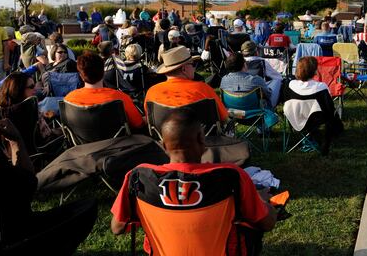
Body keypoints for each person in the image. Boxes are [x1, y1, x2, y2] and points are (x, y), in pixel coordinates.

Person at [110, 110, 276, 254]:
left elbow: (118, 227)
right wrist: (261, 199)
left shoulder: (139, 176)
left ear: (163, 145)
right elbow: (267, 223)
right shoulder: (231, 176)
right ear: (201, 139)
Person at [0, 119, 98, 254]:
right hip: (11, 240)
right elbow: (28, 185)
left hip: (4, 234)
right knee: (84, 210)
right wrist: (15, 141)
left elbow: (26, 184)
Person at [144, 46, 229, 123]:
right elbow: (224, 117)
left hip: (165, 138)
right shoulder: (203, 89)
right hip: (202, 138)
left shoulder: (152, 92)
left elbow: (149, 119)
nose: (194, 68)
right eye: (192, 64)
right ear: (184, 69)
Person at [64, 52, 145, 131]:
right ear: (103, 73)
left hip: (82, 143)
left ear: (81, 76)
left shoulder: (69, 99)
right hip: (118, 142)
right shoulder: (120, 98)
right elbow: (138, 124)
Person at [282, 57, 344, 156]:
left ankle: (309, 138)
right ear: (314, 70)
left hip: (294, 117)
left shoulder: (290, 84)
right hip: (315, 120)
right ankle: (327, 141)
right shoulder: (321, 87)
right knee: (331, 115)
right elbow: (328, 109)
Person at [241, 41, 283, 109]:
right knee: (277, 80)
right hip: (257, 99)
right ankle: (271, 106)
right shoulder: (262, 62)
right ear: (256, 51)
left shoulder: (237, 63)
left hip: (238, 97)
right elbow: (278, 77)